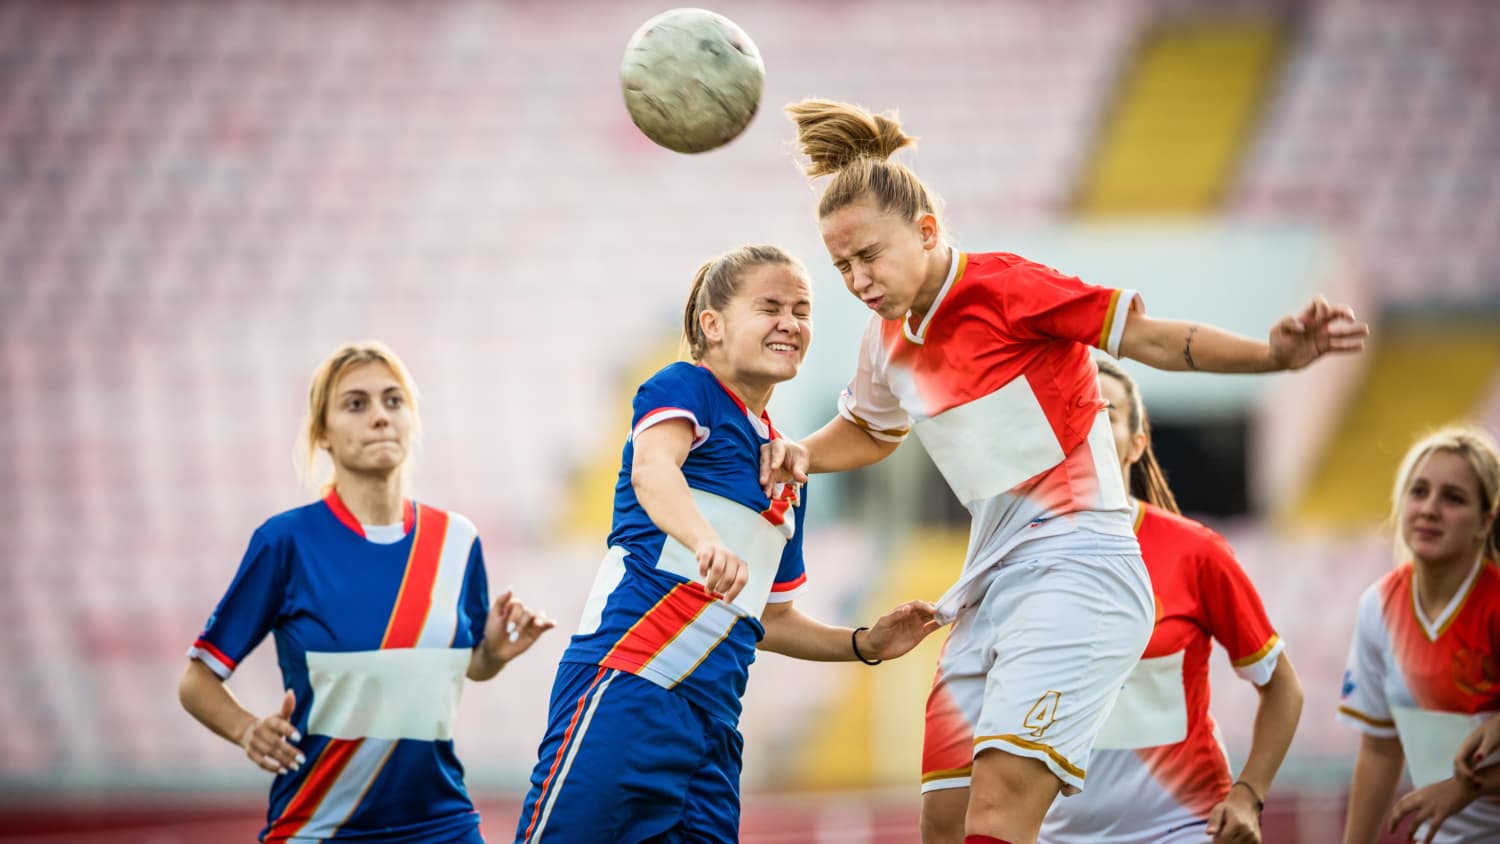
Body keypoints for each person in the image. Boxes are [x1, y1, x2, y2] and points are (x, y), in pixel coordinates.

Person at [763, 99, 1369, 844]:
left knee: (998, 813)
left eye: (869, 256)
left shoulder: (1010, 288)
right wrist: (801, 453)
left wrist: (1269, 356)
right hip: (991, 587)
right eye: (842, 265)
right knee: (945, 821)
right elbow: (867, 429)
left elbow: (1148, 338)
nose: (857, 279)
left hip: (1079, 568)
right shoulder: (884, 341)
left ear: (926, 231)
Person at [513, 244, 939, 844]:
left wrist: (863, 643)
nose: (791, 322)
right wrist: (703, 540)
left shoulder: (787, 467)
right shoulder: (686, 387)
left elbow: (770, 615)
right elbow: (653, 470)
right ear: (712, 325)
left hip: (714, 729)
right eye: (770, 306)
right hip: (626, 687)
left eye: (802, 309)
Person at [178, 341, 556, 843]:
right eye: (356, 404)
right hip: (319, 827)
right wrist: (248, 729)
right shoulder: (286, 543)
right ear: (323, 435)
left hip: (443, 825)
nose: (379, 416)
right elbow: (197, 680)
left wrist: (493, 655)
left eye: (393, 401)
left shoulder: (457, 541)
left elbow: (460, 666)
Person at [1027, 358, 1304, 844]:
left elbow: (1283, 689)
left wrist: (1248, 795)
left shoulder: (1196, 552)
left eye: (1104, 412)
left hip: (1185, 827)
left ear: (1137, 444)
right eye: (1071, 409)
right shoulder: (1014, 556)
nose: (1086, 422)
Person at [1339, 426, 1500, 844]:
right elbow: (1380, 748)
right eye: (1419, 491)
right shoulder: (1378, 606)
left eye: (1453, 498)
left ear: (1485, 523)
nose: (1429, 509)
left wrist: (1465, 786)